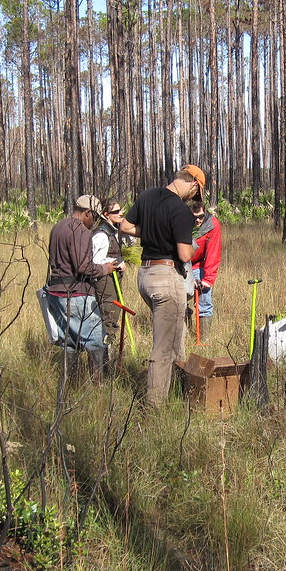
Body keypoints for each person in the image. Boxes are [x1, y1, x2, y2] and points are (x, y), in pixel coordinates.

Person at [120, 164, 204, 405]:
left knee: (177, 334)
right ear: (193, 184)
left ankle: (180, 389)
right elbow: (185, 255)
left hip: (145, 275)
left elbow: (125, 226)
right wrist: (177, 236)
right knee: (163, 348)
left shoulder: (147, 196)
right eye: (196, 193)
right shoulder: (181, 211)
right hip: (167, 278)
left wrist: (151, 234)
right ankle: (155, 406)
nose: (193, 198)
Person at [46, 194, 115, 382]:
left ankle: (69, 385)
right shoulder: (80, 231)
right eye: (95, 217)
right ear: (87, 213)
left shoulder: (58, 226)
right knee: (96, 338)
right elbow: (84, 267)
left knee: (69, 342)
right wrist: (104, 268)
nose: (94, 222)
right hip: (75, 293)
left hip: (57, 292)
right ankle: (101, 386)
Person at [92, 198, 127, 348]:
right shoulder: (101, 235)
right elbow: (95, 261)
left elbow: (128, 244)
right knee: (109, 315)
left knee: (114, 312)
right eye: (116, 212)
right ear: (106, 214)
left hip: (112, 280)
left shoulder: (114, 230)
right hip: (104, 280)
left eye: (120, 210)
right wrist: (115, 264)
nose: (120, 213)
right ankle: (106, 351)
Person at [189, 200, 222, 339]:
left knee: (205, 302)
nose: (198, 220)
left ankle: (204, 340)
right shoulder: (178, 221)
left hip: (199, 264)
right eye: (194, 217)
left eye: (201, 216)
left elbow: (213, 253)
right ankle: (182, 336)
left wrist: (207, 280)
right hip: (180, 264)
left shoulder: (212, 225)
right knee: (179, 301)